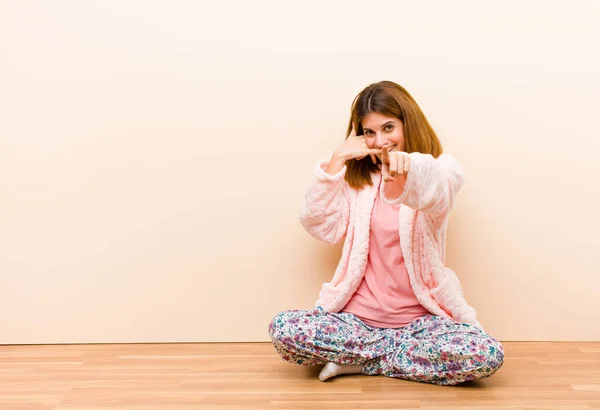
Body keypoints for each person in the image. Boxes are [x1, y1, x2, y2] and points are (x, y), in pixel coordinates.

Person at [268, 81, 504, 385]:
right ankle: (392, 358)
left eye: (389, 127)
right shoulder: (358, 183)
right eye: (369, 132)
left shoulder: (438, 170)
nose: (381, 141)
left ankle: (357, 362)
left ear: (408, 123)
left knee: (485, 354)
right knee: (284, 328)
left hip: (422, 324)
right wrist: (337, 159)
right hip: (357, 321)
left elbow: (440, 192)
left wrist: (411, 169)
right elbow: (320, 226)